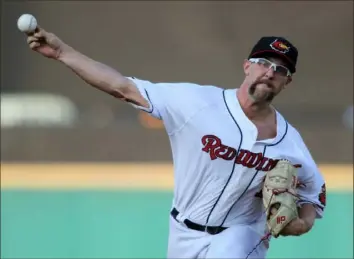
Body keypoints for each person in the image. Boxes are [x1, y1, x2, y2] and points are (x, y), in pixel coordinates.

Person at [25, 26, 326, 258]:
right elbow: (121, 87)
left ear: (287, 82)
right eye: (264, 62)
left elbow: (314, 195)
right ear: (247, 66)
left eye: (281, 69)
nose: (270, 72)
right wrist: (63, 52)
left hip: (241, 234)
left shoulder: (290, 143)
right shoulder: (197, 103)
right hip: (182, 231)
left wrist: (301, 223)